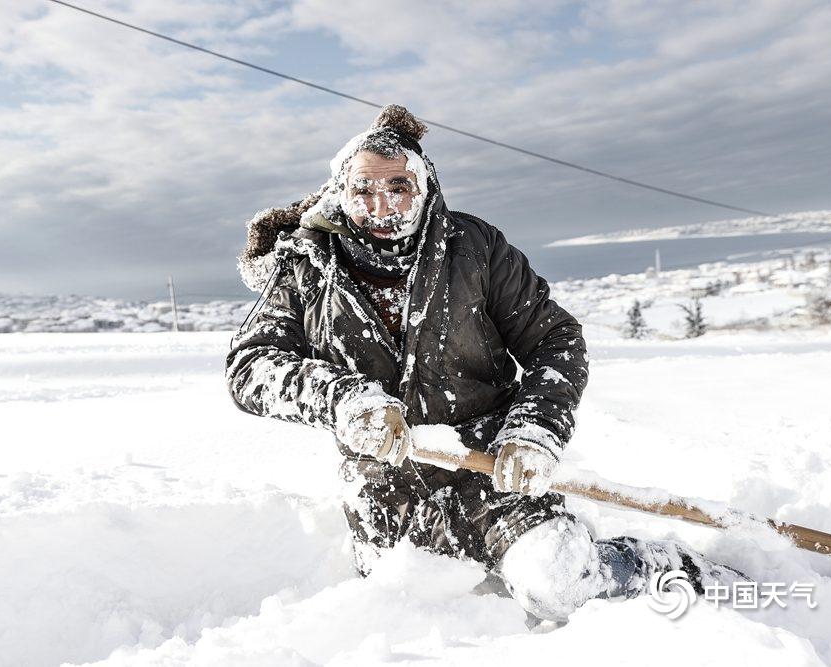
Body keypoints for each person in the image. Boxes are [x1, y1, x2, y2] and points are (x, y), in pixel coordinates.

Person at [226, 104, 743, 621]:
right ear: (341, 193)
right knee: (397, 615)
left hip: (494, 467)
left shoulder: (475, 247)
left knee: (559, 587)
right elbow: (250, 365)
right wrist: (343, 400)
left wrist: (534, 430)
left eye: (399, 188)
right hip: (386, 486)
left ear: (425, 187)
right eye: (364, 191)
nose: (382, 208)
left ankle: (669, 568)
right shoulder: (305, 265)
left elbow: (556, 341)